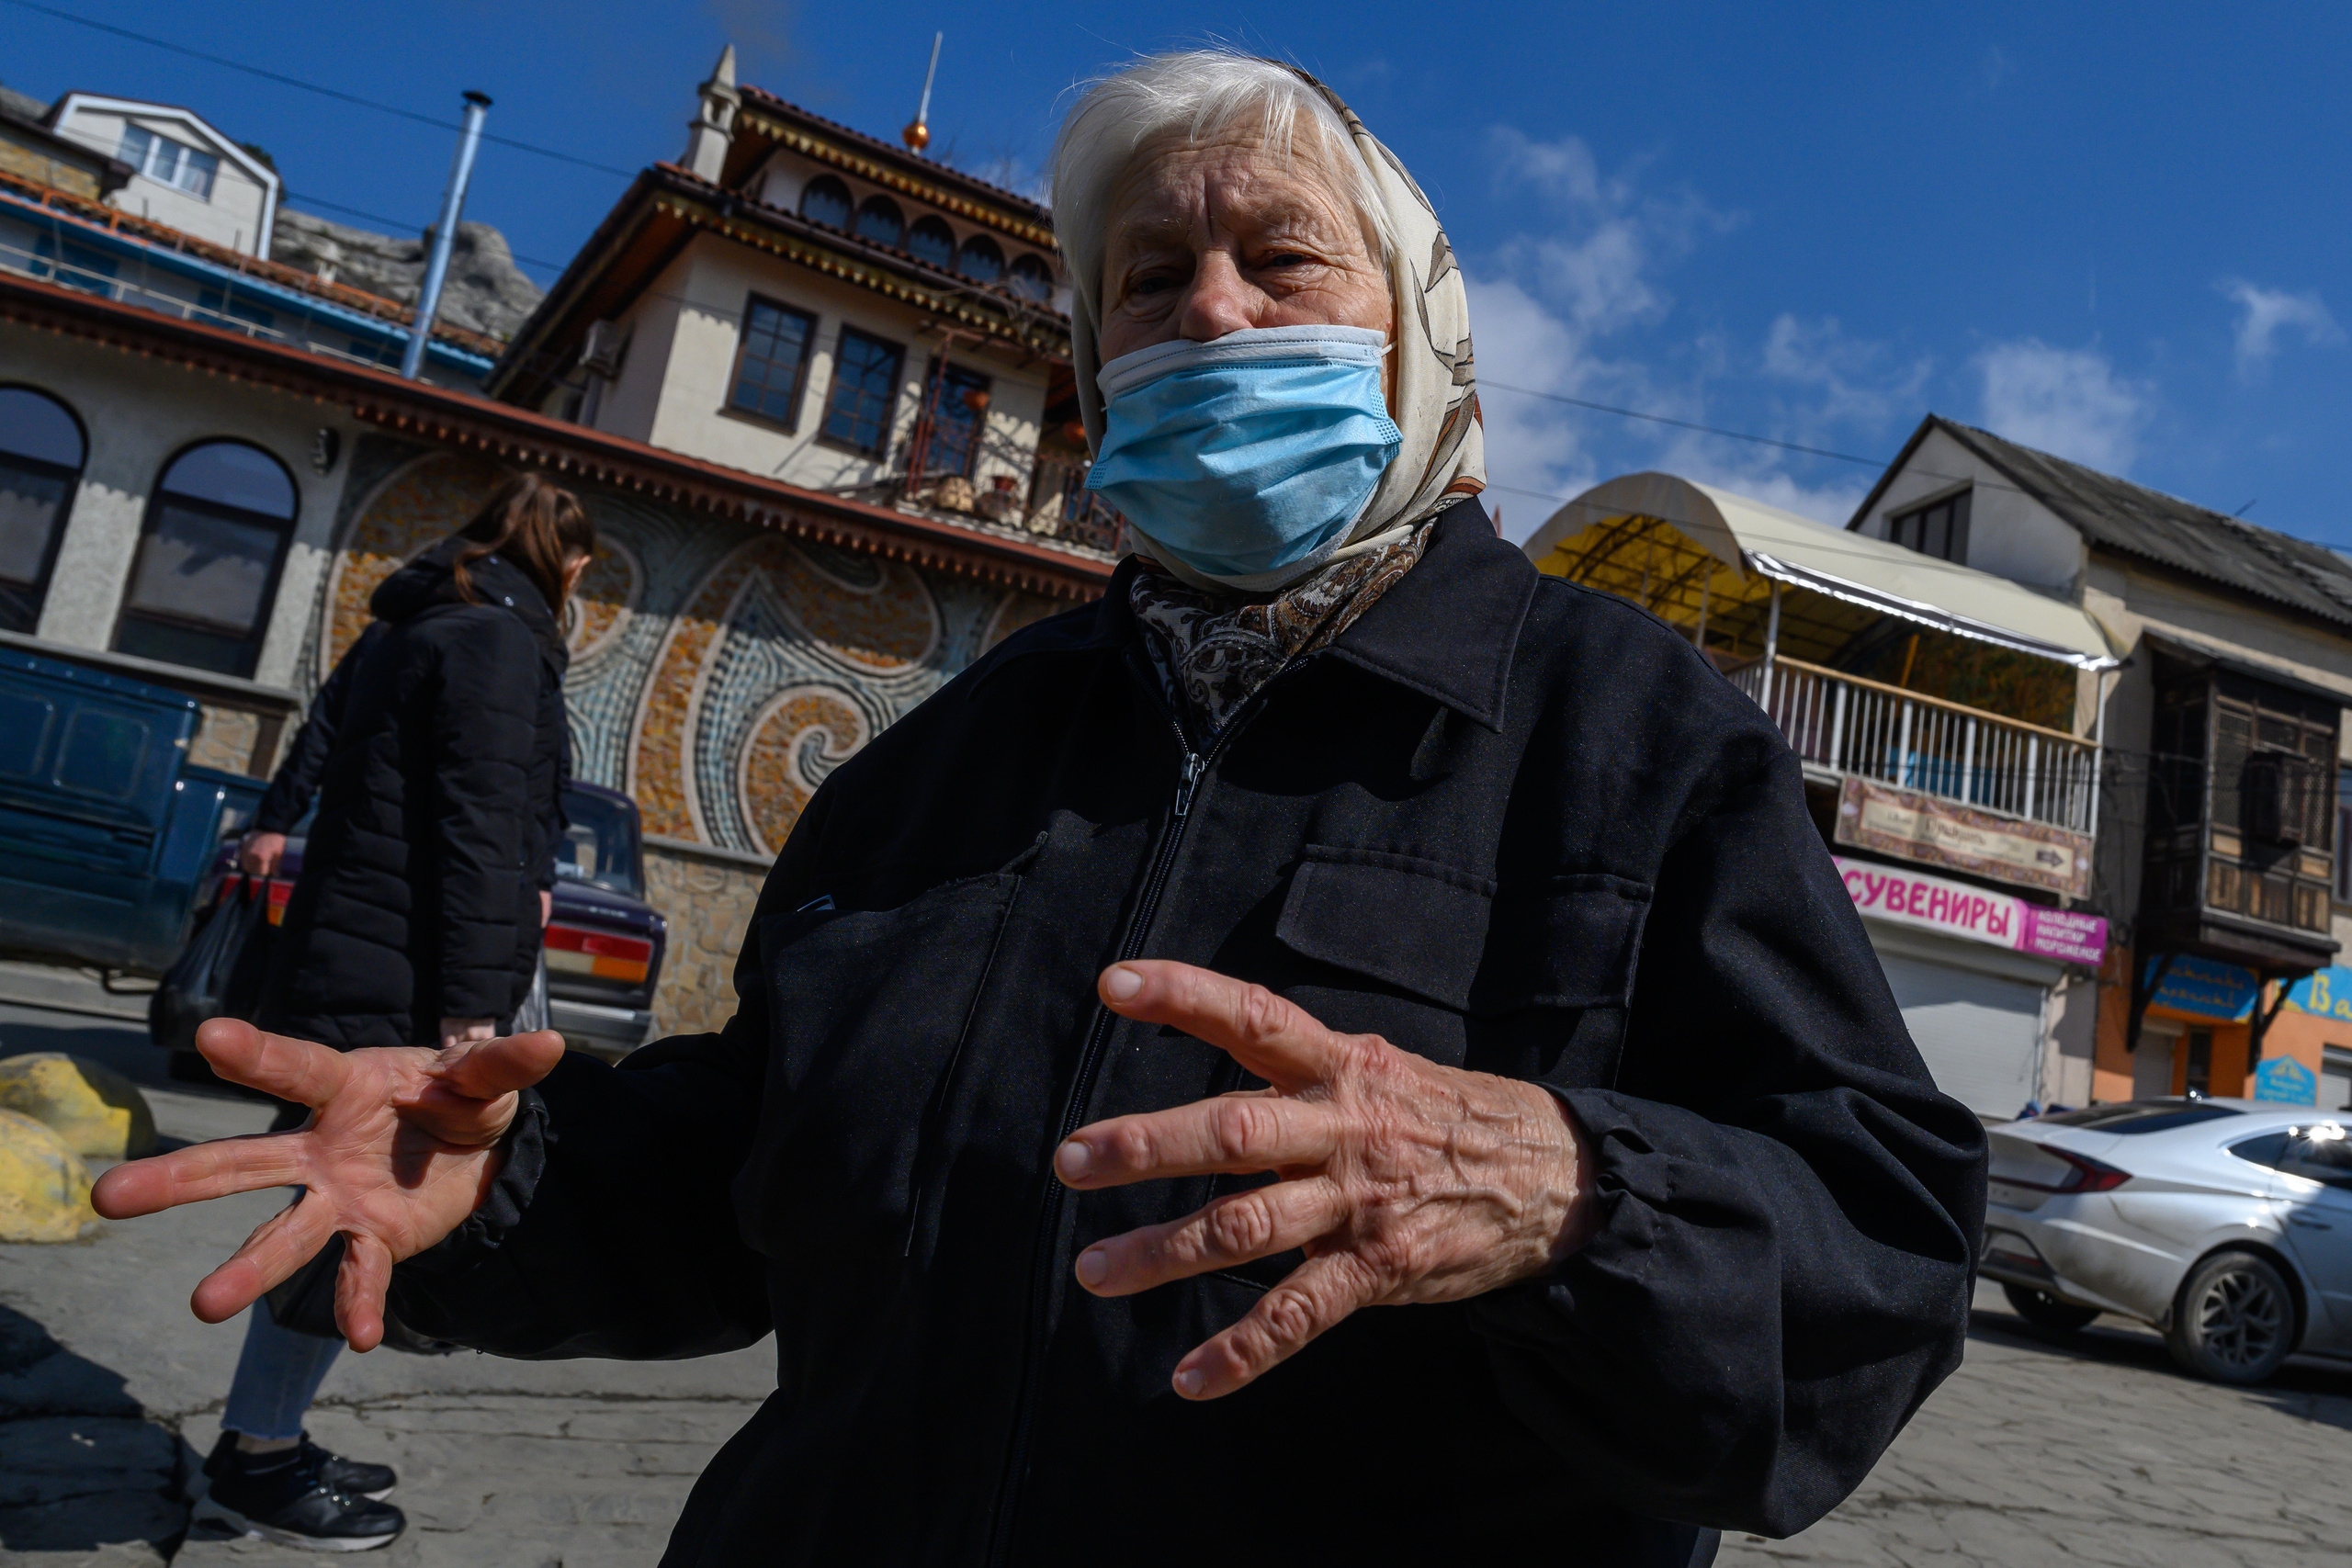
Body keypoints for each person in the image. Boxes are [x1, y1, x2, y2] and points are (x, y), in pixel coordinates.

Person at [99, 54, 1985, 1565]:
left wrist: (1572, 1191)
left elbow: (1874, 1247)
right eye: (1146, 285)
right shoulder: (948, 756)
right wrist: (499, 1180)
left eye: (1279, 260)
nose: (1209, 316)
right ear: (1091, 380)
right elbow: (762, 1170)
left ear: (1423, 345)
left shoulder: (1630, 730)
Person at [188, 473, 594, 1551]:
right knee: (346, 1215)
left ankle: (269, 1432)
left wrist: (275, 822)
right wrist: (471, 1014)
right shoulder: (499, 644)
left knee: (335, 1208)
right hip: (403, 978)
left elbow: (318, 742)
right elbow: (482, 827)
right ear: (568, 562)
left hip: (344, 951)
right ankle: (257, 1458)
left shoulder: (416, 625)